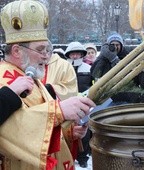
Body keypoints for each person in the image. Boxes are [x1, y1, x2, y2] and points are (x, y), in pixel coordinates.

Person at [0, 1, 95, 170]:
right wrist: (58, 111)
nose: (46, 57)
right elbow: (10, 133)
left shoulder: (29, 76)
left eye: (47, 50)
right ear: (16, 51)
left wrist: (69, 133)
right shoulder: (3, 78)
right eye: (41, 50)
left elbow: (43, 131)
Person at [65, 41, 94, 168]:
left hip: (84, 104)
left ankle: (83, 157)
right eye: (72, 54)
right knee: (67, 131)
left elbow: (94, 86)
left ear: (82, 54)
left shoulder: (88, 69)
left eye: (77, 53)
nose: (75, 56)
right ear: (69, 55)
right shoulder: (64, 69)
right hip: (67, 104)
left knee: (84, 132)